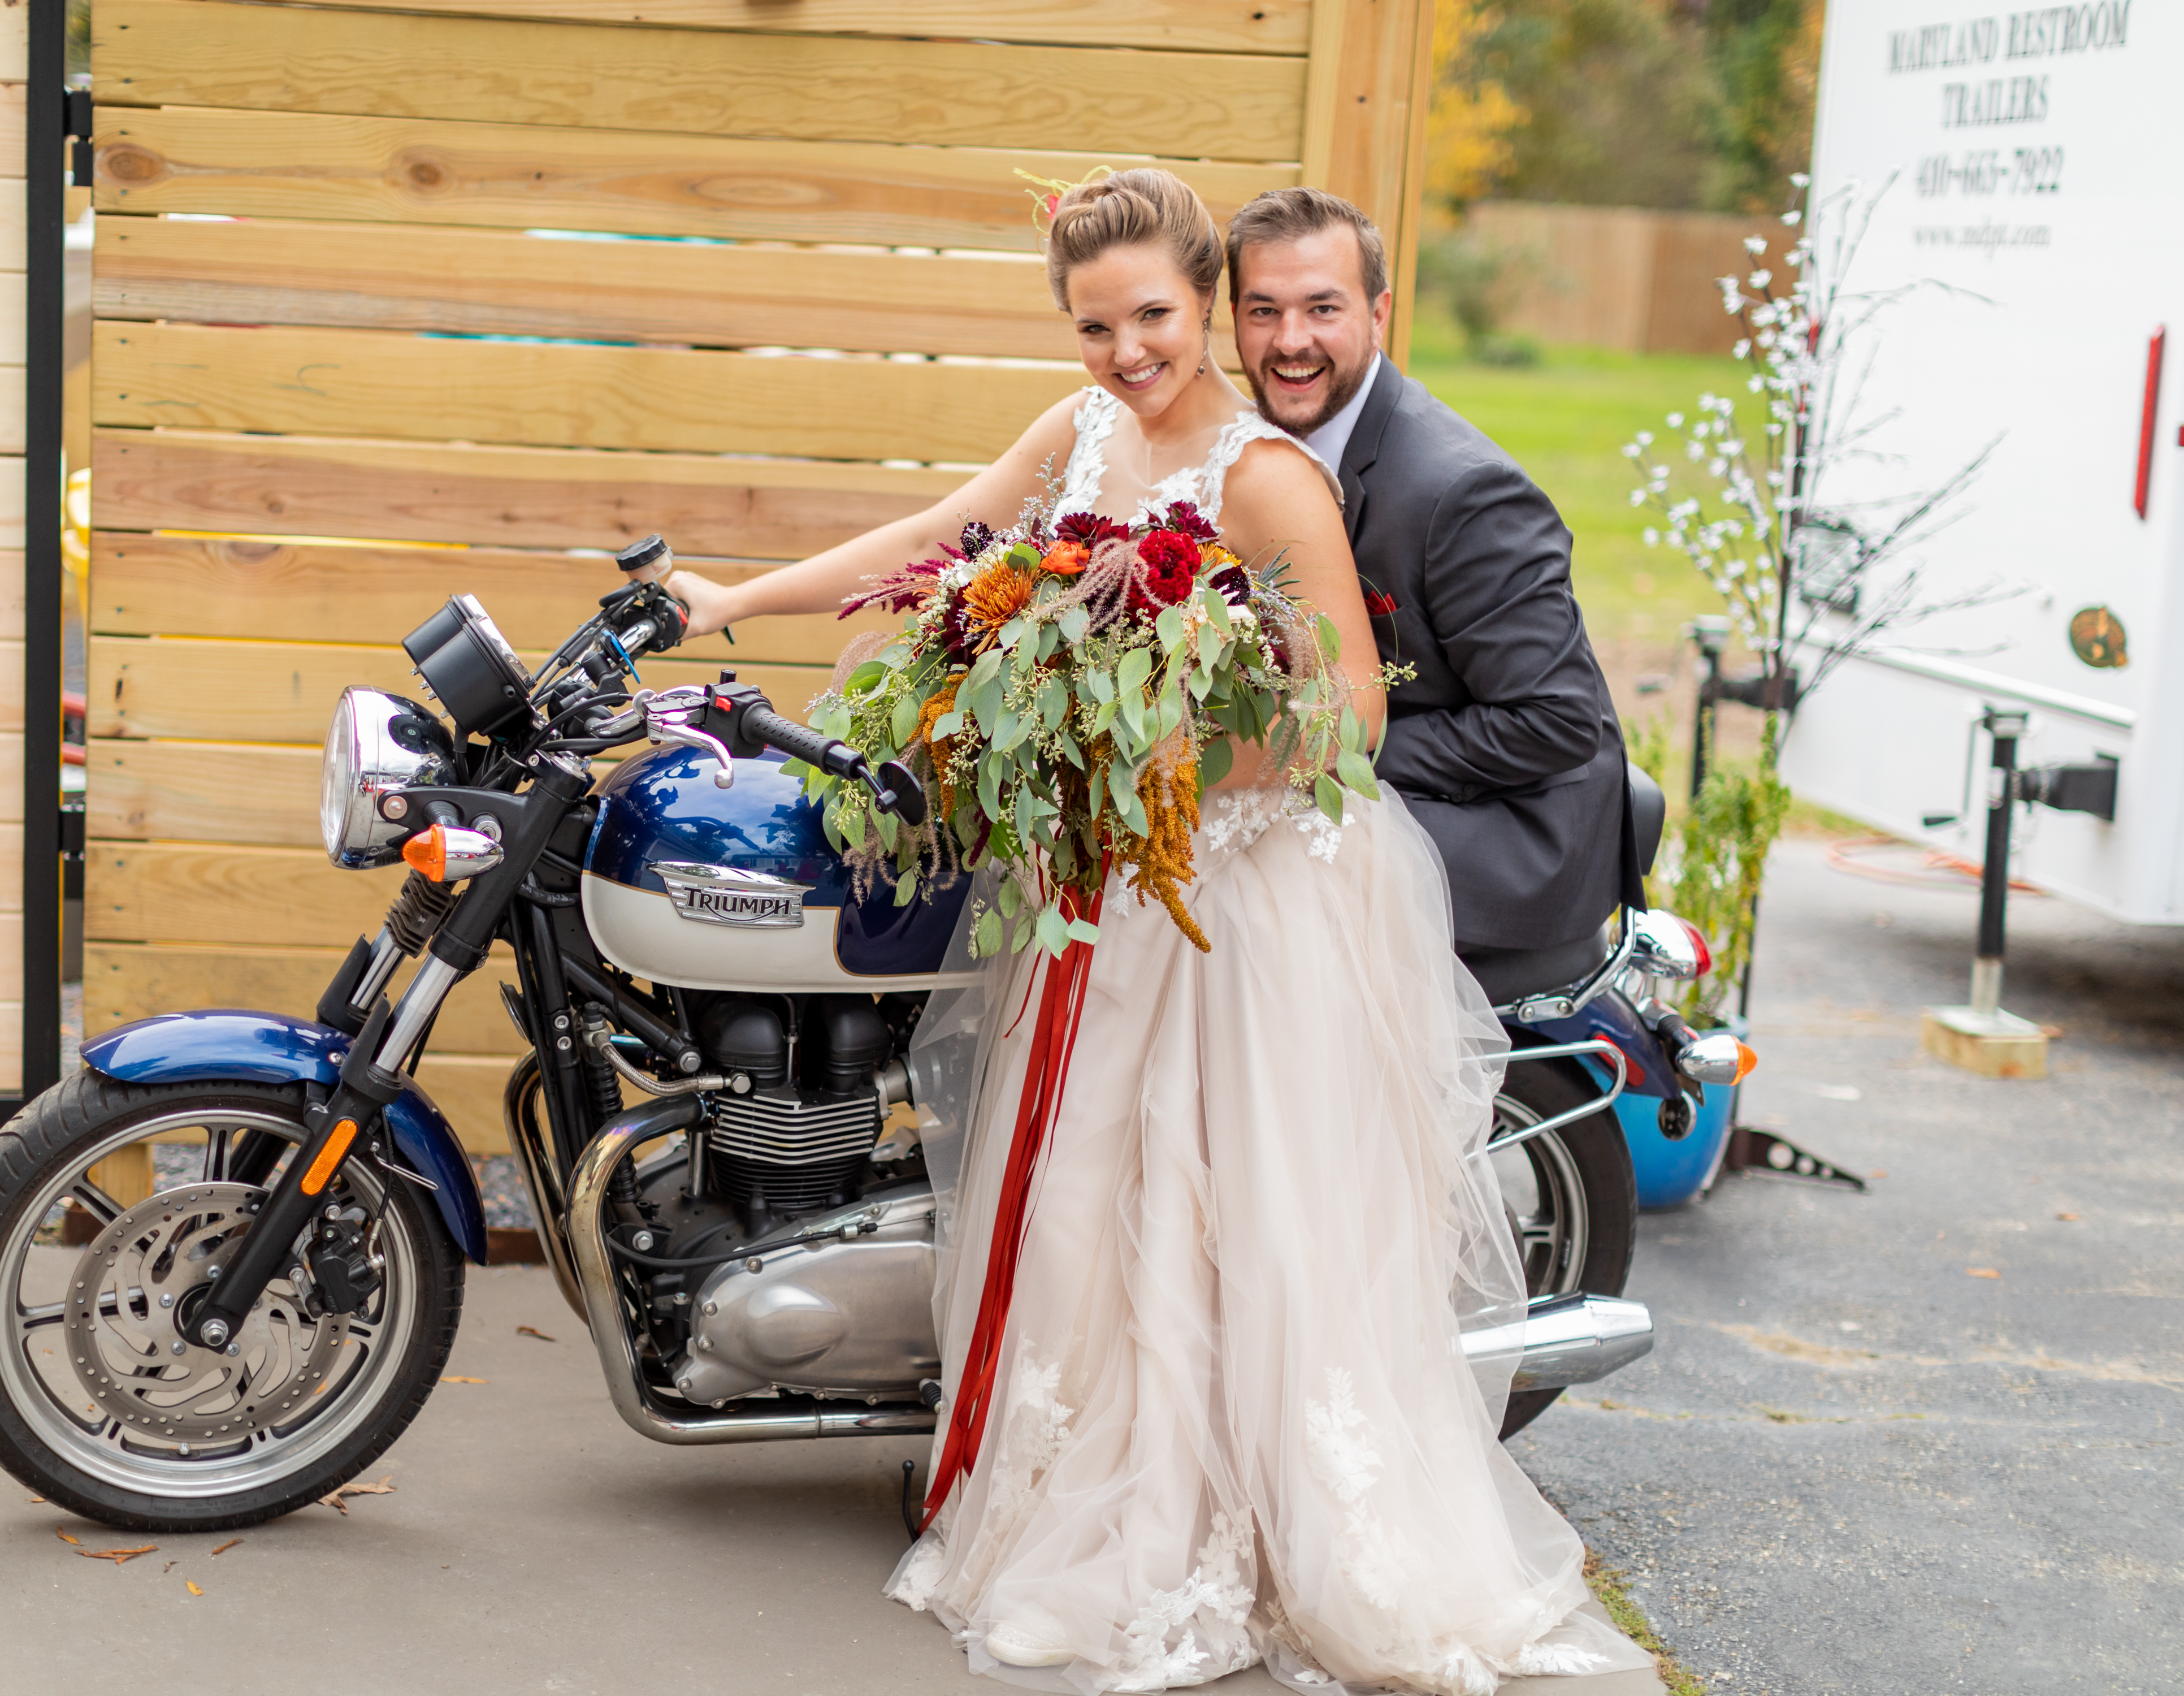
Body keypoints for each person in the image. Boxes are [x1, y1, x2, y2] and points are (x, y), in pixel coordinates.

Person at [664, 170, 1646, 1694]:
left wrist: (1165, 767)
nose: (1127, 350)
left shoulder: (1265, 482)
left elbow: (1352, 711)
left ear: (1203, 307)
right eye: (1095, 324)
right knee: (1094, 1208)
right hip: (1111, 886)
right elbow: (943, 535)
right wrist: (730, 602)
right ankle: (1091, 1513)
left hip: (1243, 895)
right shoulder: (1084, 435)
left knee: (1218, 1215)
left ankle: (1239, 1544)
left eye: (1156, 318)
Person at [1225, 188, 1629, 1003]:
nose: (1290, 340)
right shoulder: (1250, 456)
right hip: (1399, 785)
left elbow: (1555, 721)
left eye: (1322, 308)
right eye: (1262, 310)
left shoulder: (1461, 492)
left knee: (1237, 876)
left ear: (1377, 314)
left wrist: (1318, 755)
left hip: (1510, 833)